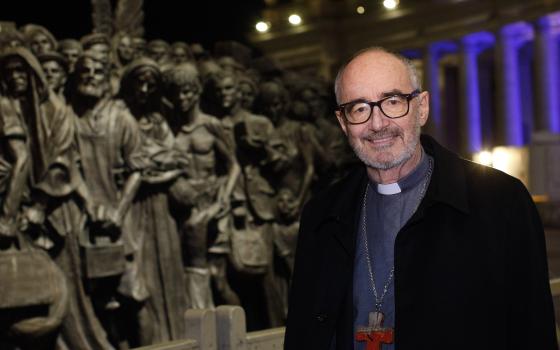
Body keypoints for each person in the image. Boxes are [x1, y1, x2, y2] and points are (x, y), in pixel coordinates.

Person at [284, 47, 558, 349]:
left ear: (422, 107)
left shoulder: (501, 202)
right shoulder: (321, 215)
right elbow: (302, 333)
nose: (377, 124)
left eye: (392, 101)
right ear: (342, 122)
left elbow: (533, 332)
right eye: (359, 108)